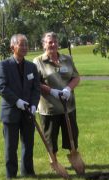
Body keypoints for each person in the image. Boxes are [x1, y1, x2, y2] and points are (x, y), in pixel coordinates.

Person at [33, 32, 81, 168]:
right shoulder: (38, 61)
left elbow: (76, 77)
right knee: (51, 138)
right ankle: (53, 161)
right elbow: (36, 82)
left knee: (72, 134)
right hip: (49, 108)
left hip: (68, 105)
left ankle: (74, 156)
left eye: (55, 42)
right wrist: (51, 91)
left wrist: (68, 89)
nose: (53, 44)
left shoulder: (67, 59)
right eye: (49, 42)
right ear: (44, 44)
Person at [0, 34, 40, 179]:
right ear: (12, 47)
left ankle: (28, 172)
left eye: (26, 44)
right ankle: (11, 175)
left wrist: (34, 105)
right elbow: (1, 87)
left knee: (28, 145)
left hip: (28, 112)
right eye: (21, 44)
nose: (25, 47)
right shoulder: (4, 65)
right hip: (11, 112)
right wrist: (18, 102)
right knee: (11, 146)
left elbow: (36, 89)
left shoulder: (32, 67)